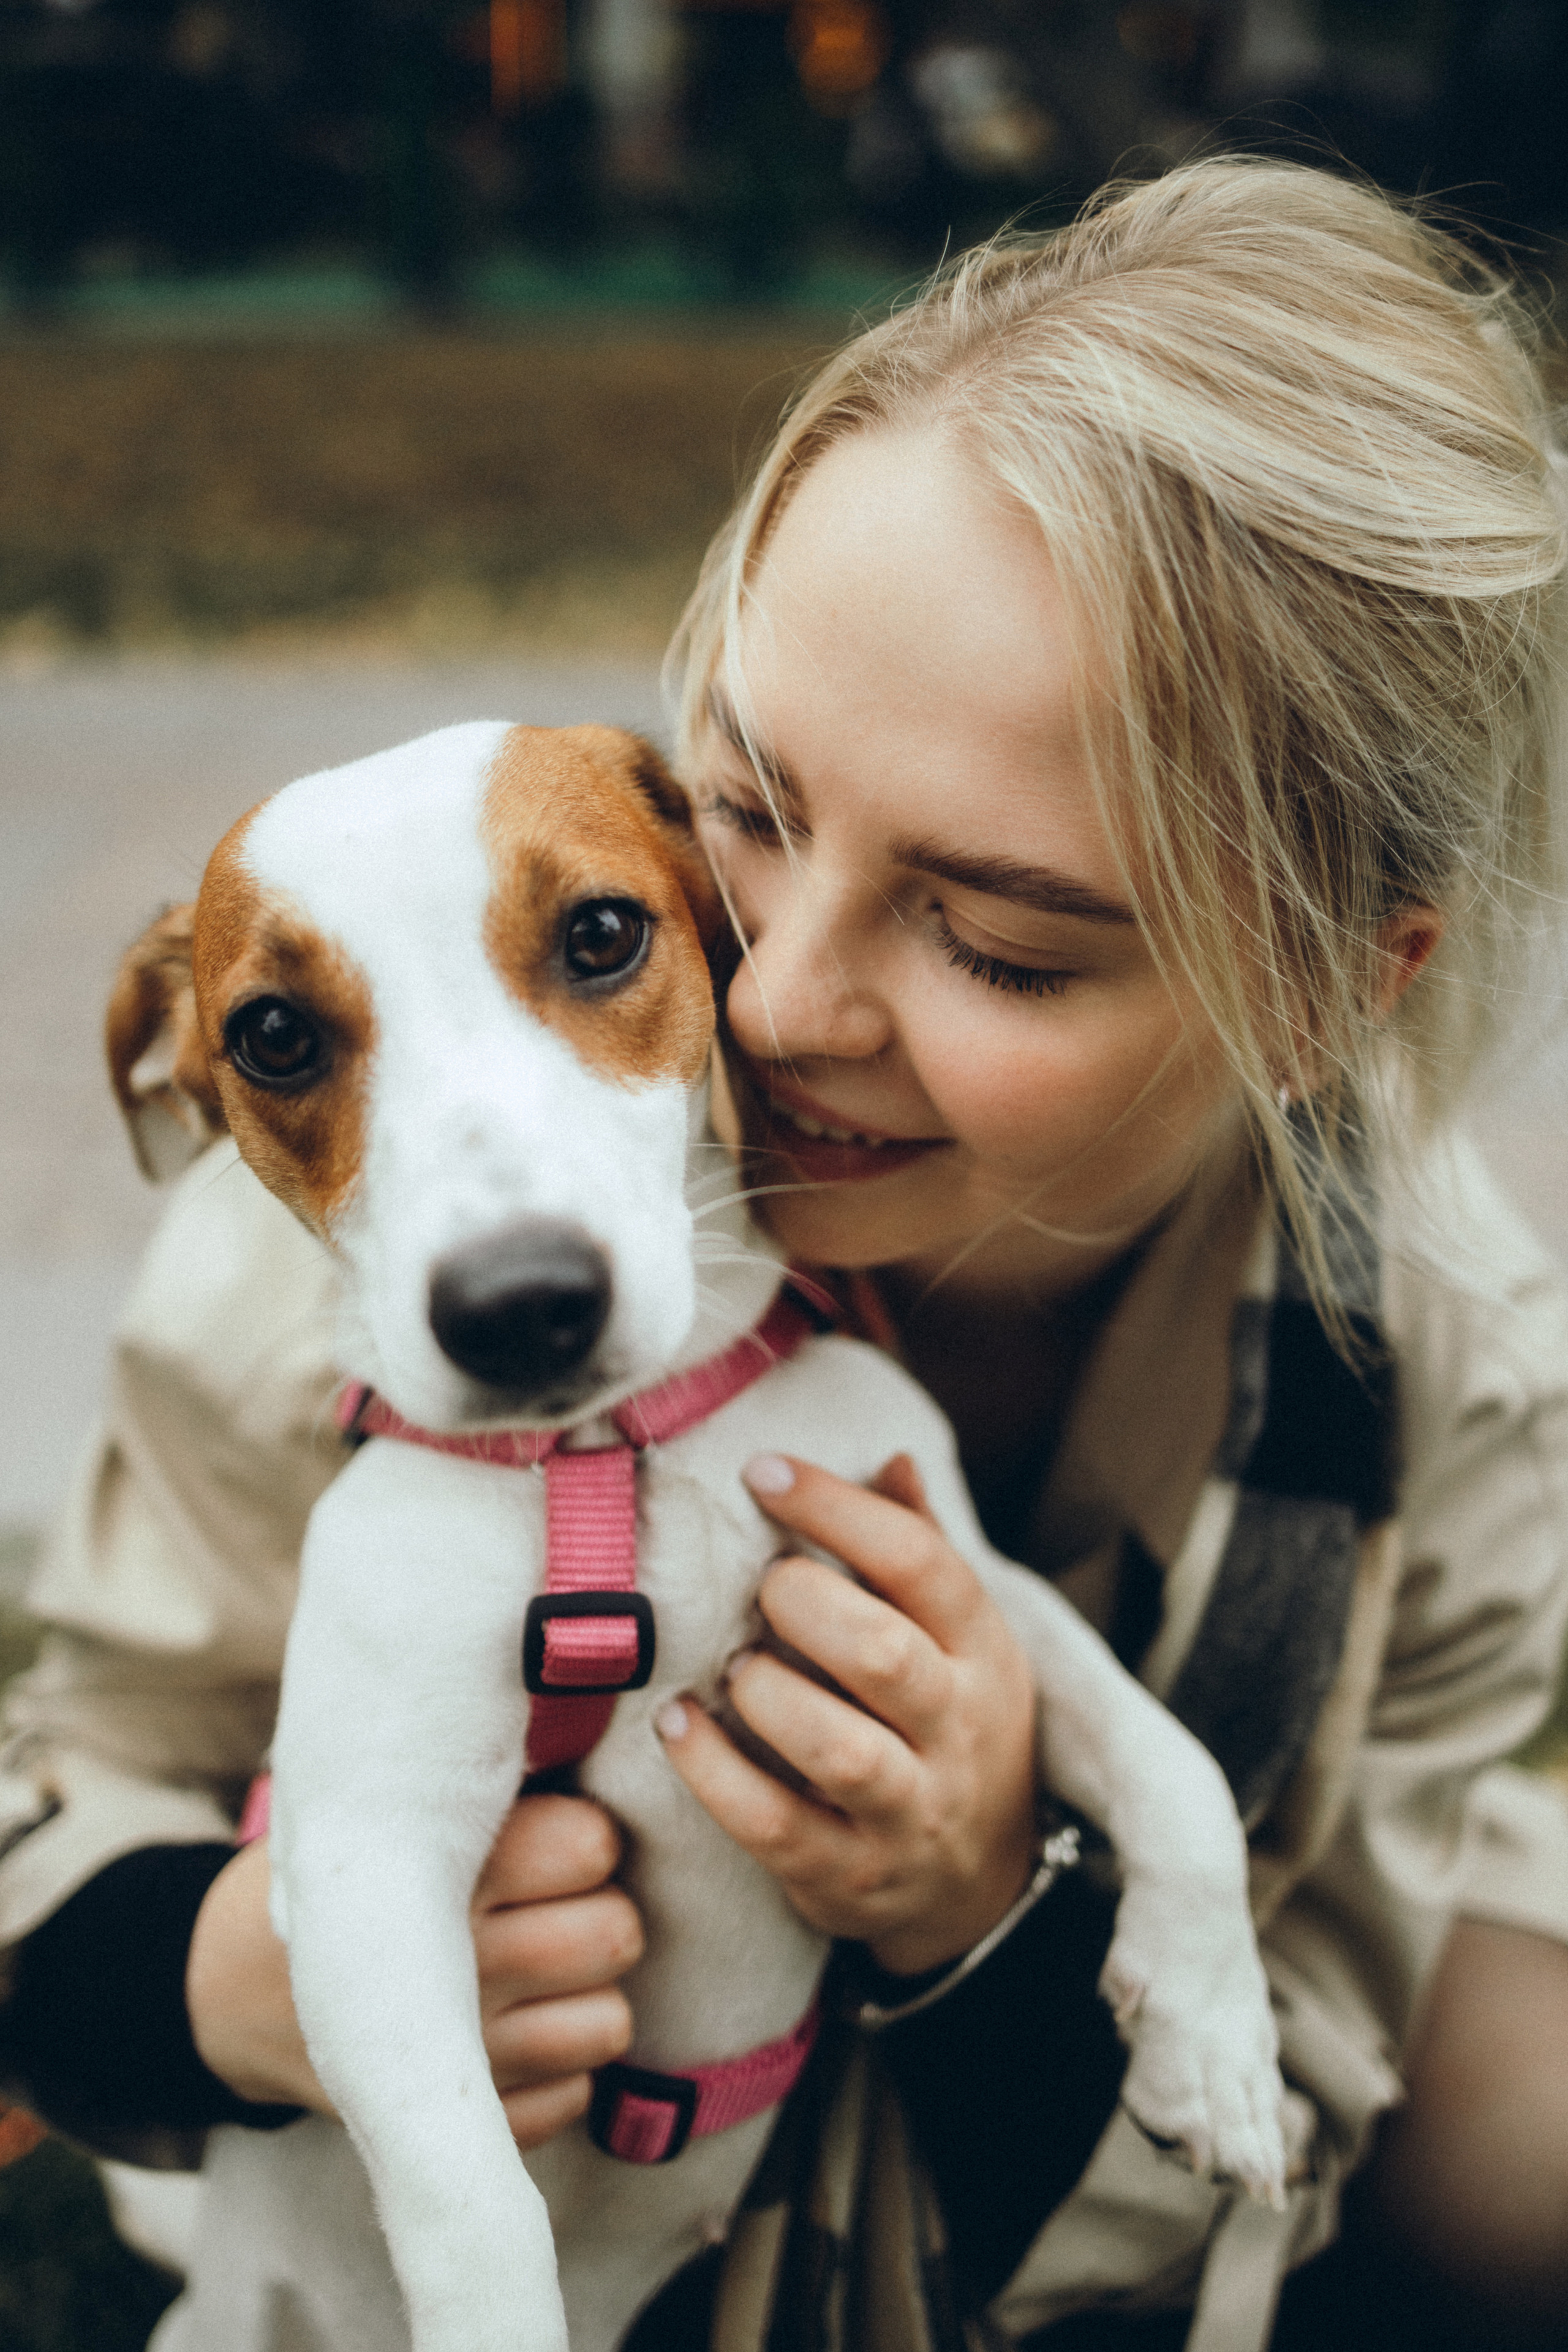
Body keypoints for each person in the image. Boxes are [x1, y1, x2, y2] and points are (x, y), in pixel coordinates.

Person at [3, 156, 1568, 2352]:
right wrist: (222, 1982)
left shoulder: (1437, 1374)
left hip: (1011, 2116)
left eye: (997, 939)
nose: (776, 1000)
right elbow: (81, 1766)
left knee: (1520, 2144)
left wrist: (984, 1894)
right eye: (748, 813)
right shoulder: (389, 1253)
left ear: (1316, 988)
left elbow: (1277, 2079)